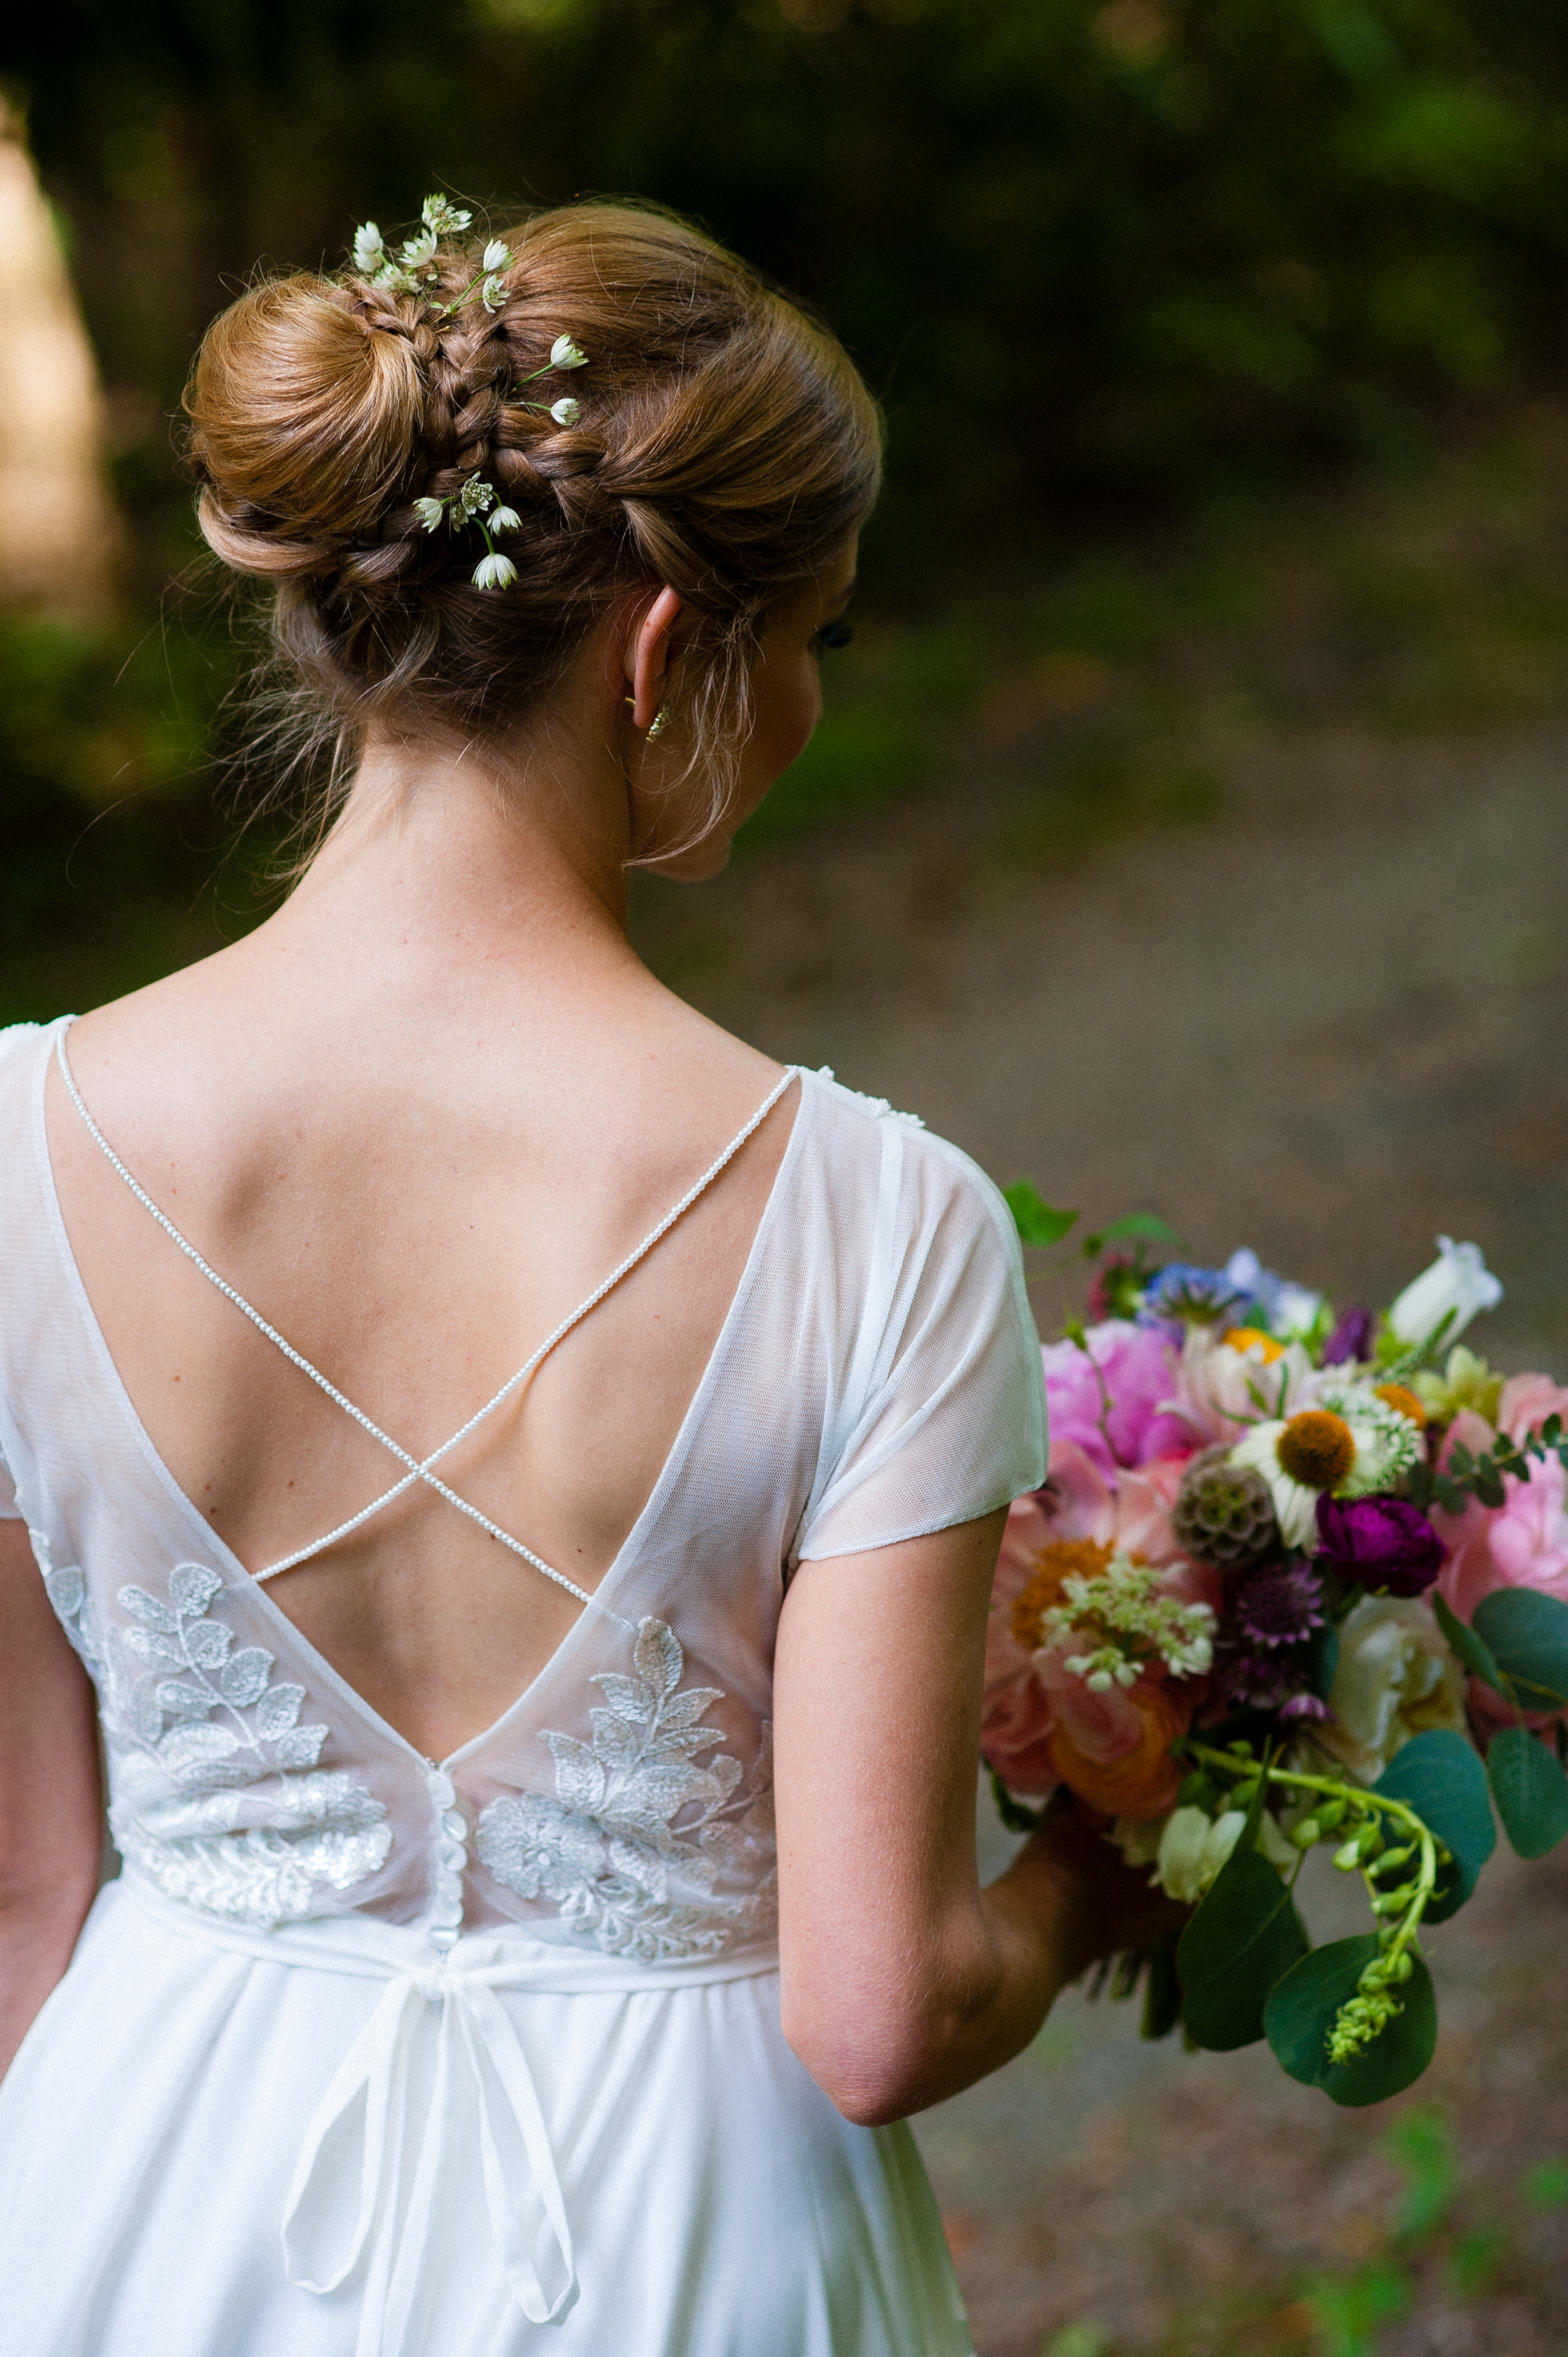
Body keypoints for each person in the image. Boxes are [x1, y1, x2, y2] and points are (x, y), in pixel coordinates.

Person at [0, 197, 1173, 2356]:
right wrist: (1118, 1853)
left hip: (135, 2206)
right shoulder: (873, 1220)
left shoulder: (6, 1157)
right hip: (679, 2252)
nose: (808, 698)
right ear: (662, 658)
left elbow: (14, 1906)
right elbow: (877, 2014)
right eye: (811, 634)